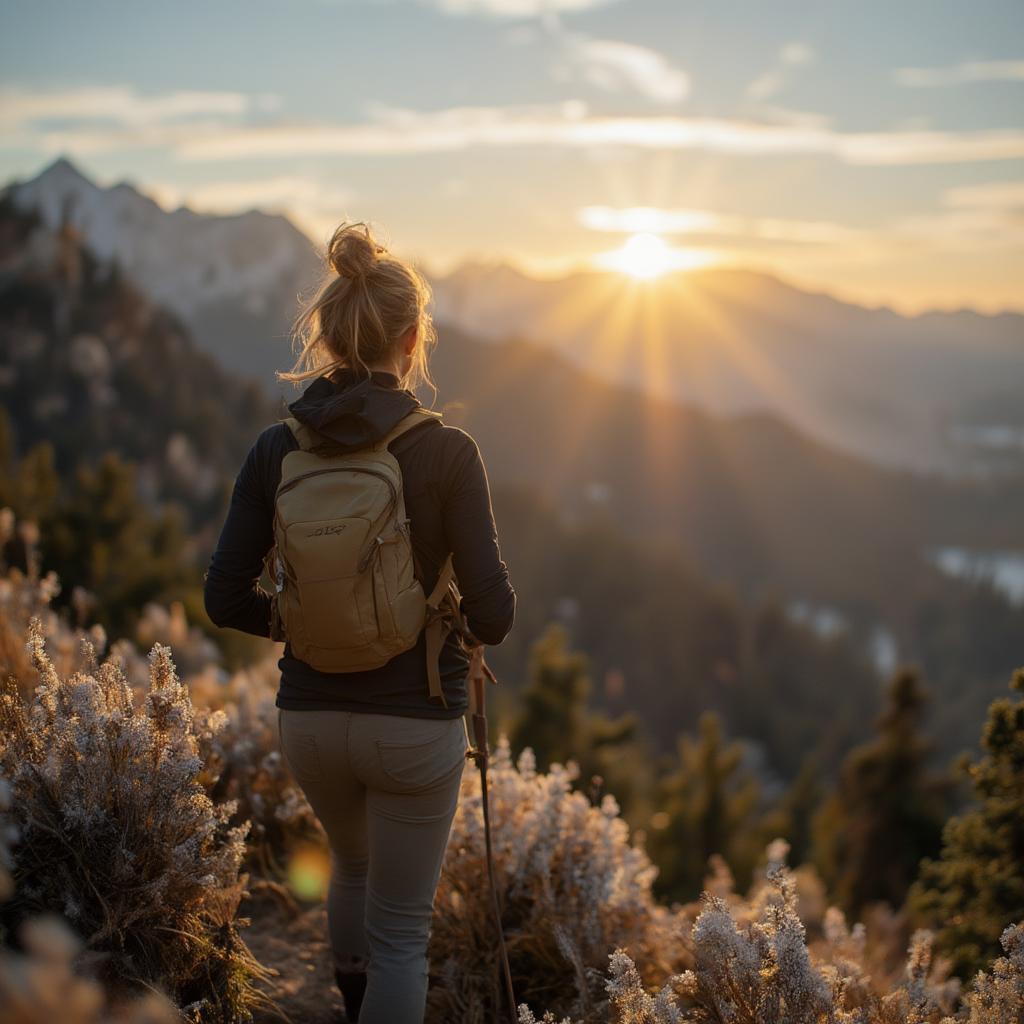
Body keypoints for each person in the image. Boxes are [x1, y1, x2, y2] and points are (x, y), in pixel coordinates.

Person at [203, 221, 516, 1023]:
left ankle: (348, 1001)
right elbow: (496, 614)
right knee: (404, 934)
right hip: (415, 723)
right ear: (414, 339)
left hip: (308, 717)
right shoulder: (450, 453)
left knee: (348, 865)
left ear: (332, 337)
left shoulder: (278, 448)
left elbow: (224, 598)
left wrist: (307, 622)